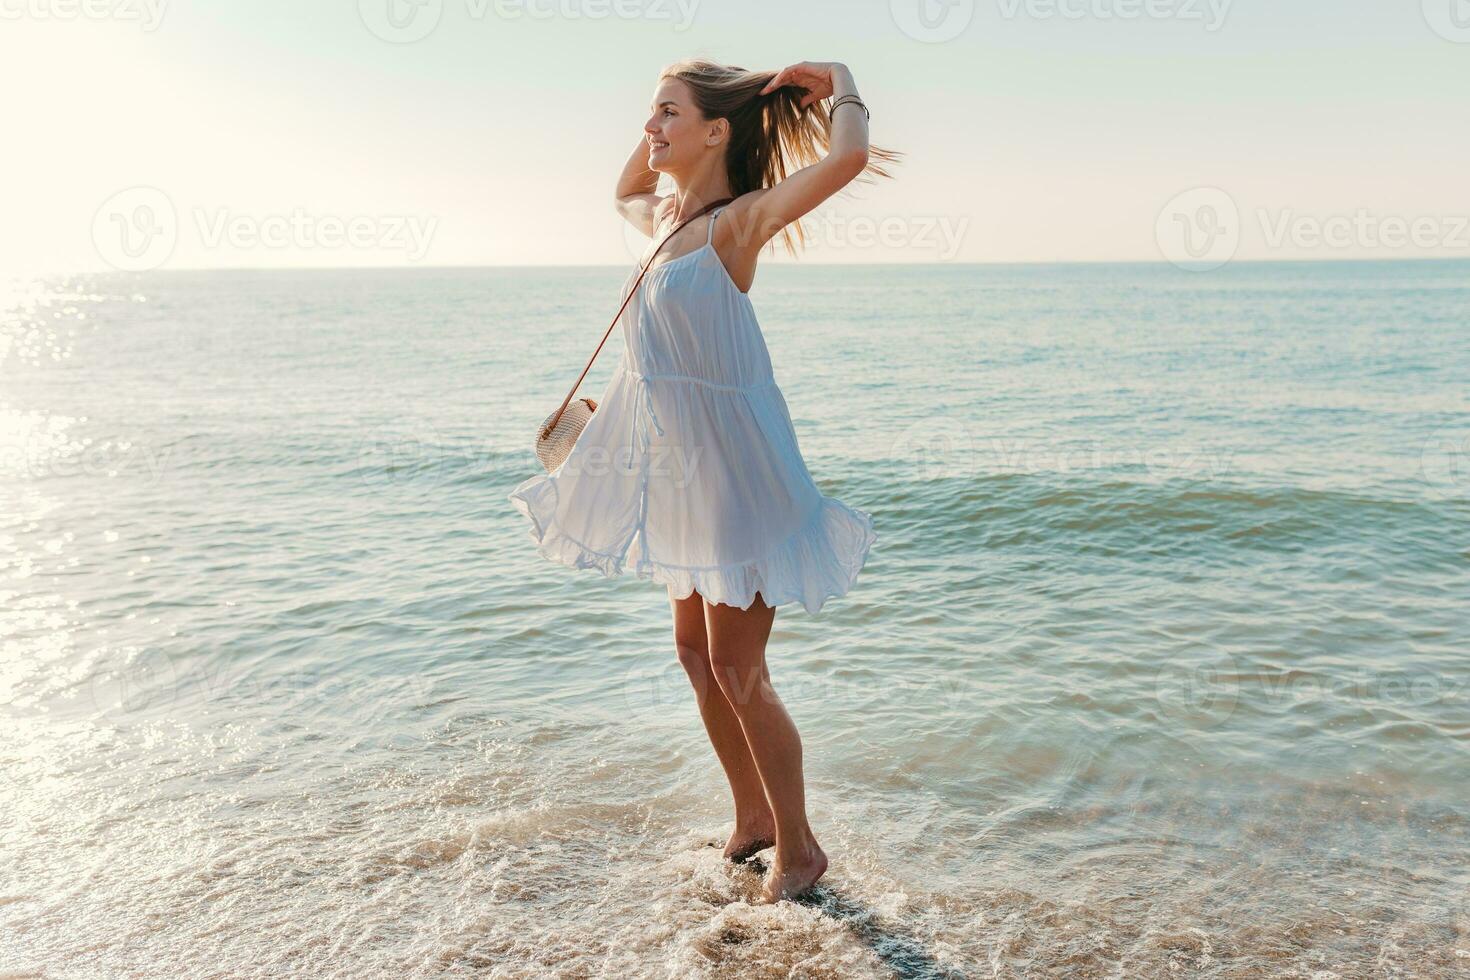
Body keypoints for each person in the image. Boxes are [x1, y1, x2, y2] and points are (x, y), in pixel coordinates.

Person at [509, 58, 901, 903]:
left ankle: (801, 850)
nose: (650, 128)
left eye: (667, 115)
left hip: (735, 476)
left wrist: (838, 81)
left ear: (716, 131)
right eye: (650, 115)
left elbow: (846, 162)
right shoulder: (655, 222)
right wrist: (663, 104)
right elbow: (626, 184)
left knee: (738, 668)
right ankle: (753, 816)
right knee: (694, 654)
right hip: (678, 476)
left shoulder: (736, 226)